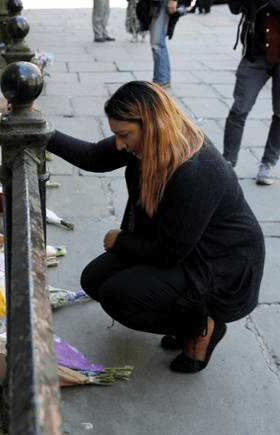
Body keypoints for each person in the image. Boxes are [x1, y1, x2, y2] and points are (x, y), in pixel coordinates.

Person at [46, 81, 265, 373]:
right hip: (181, 245)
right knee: (94, 280)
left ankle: (202, 325)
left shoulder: (195, 171)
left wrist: (120, 240)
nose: (120, 144)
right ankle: (185, 315)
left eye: (124, 135)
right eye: (117, 136)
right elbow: (93, 157)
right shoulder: (147, 142)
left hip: (220, 262)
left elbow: (167, 255)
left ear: (150, 123)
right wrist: (43, 134)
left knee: (117, 295)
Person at [222, 0, 280, 185]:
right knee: (239, 108)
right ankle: (227, 163)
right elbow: (234, 8)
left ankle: (267, 164)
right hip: (256, 54)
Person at [148, 0, 179, 87]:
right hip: (157, 3)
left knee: (157, 42)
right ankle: (161, 77)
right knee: (157, 42)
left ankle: (162, 79)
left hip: (163, 3)